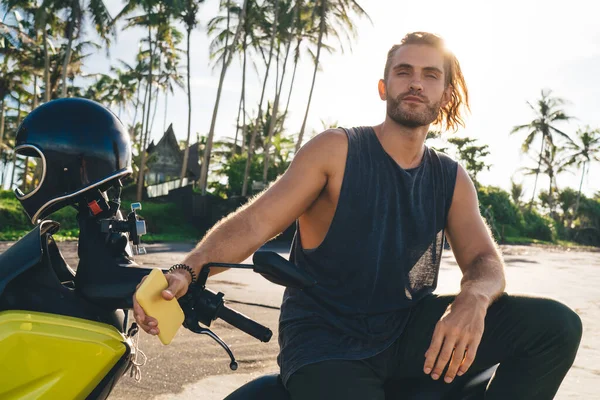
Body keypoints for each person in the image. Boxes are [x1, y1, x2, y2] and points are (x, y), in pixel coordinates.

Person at [133, 32, 582, 399]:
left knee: (555, 327)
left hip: (407, 328)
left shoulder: (450, 178)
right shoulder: (338, 150)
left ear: (444, 95)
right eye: (403, 71)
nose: (415, 82)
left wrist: (474, 299)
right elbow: (254, 222)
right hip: (325, 340)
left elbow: (485, 260)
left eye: (430, 75)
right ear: (384, 86)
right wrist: (186, 270)